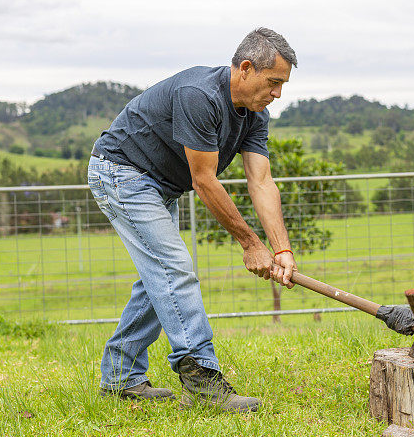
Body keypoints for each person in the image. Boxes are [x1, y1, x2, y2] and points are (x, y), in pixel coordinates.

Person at [88, 28, 299, 412]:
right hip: (121, 172)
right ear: (246, 68)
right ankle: (201, 380)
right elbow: (204, 180)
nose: (277, 94)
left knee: (161, 278)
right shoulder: (199, 95)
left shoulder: (254, 115)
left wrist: (281, 248)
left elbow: (262, 181)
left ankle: (120, 377)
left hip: (159, 184)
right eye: (273, 83)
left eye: (282, 85)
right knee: (173, 269)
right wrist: (251, 244)